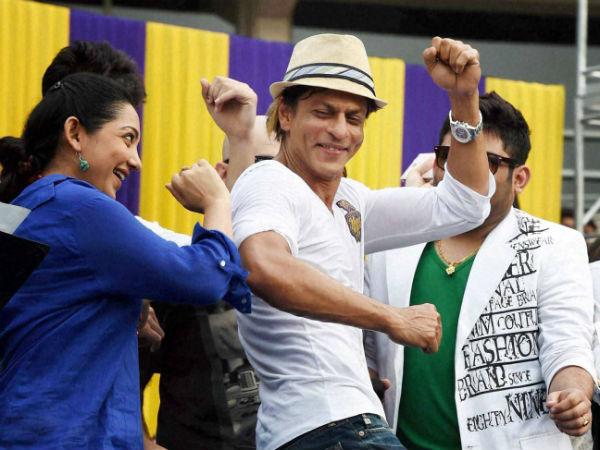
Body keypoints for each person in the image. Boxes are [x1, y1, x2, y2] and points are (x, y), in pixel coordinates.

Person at [231, 33, 495, 450]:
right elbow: (263, 266)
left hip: (340, 426)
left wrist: (464, 99)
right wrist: (391, 318)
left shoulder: (351, 200)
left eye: (353, 118)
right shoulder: (269, 180)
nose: (339, 130)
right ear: (285, 114)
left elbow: (467, 205)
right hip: (327, 428)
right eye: (323, 112)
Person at [0, 73, 251, 449]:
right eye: (127, 138)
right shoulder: (81, 207)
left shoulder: (25, 208)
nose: (136, 161)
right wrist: (217, 201)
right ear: (75, 133)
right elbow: (205, 277)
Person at [365, 92, 596, 449]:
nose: (462, 170)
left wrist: (573, 394)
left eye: (486, 161)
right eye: (449, 155)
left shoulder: (555, 245)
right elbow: (367, 348)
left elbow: (567, 344)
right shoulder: (391, 243)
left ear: (520, 178)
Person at [139, 115, 279, 450]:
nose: (280, 181)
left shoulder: (316, 272)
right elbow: (120, 381)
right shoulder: (180, 272)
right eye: (266, 165)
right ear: (221, 174)